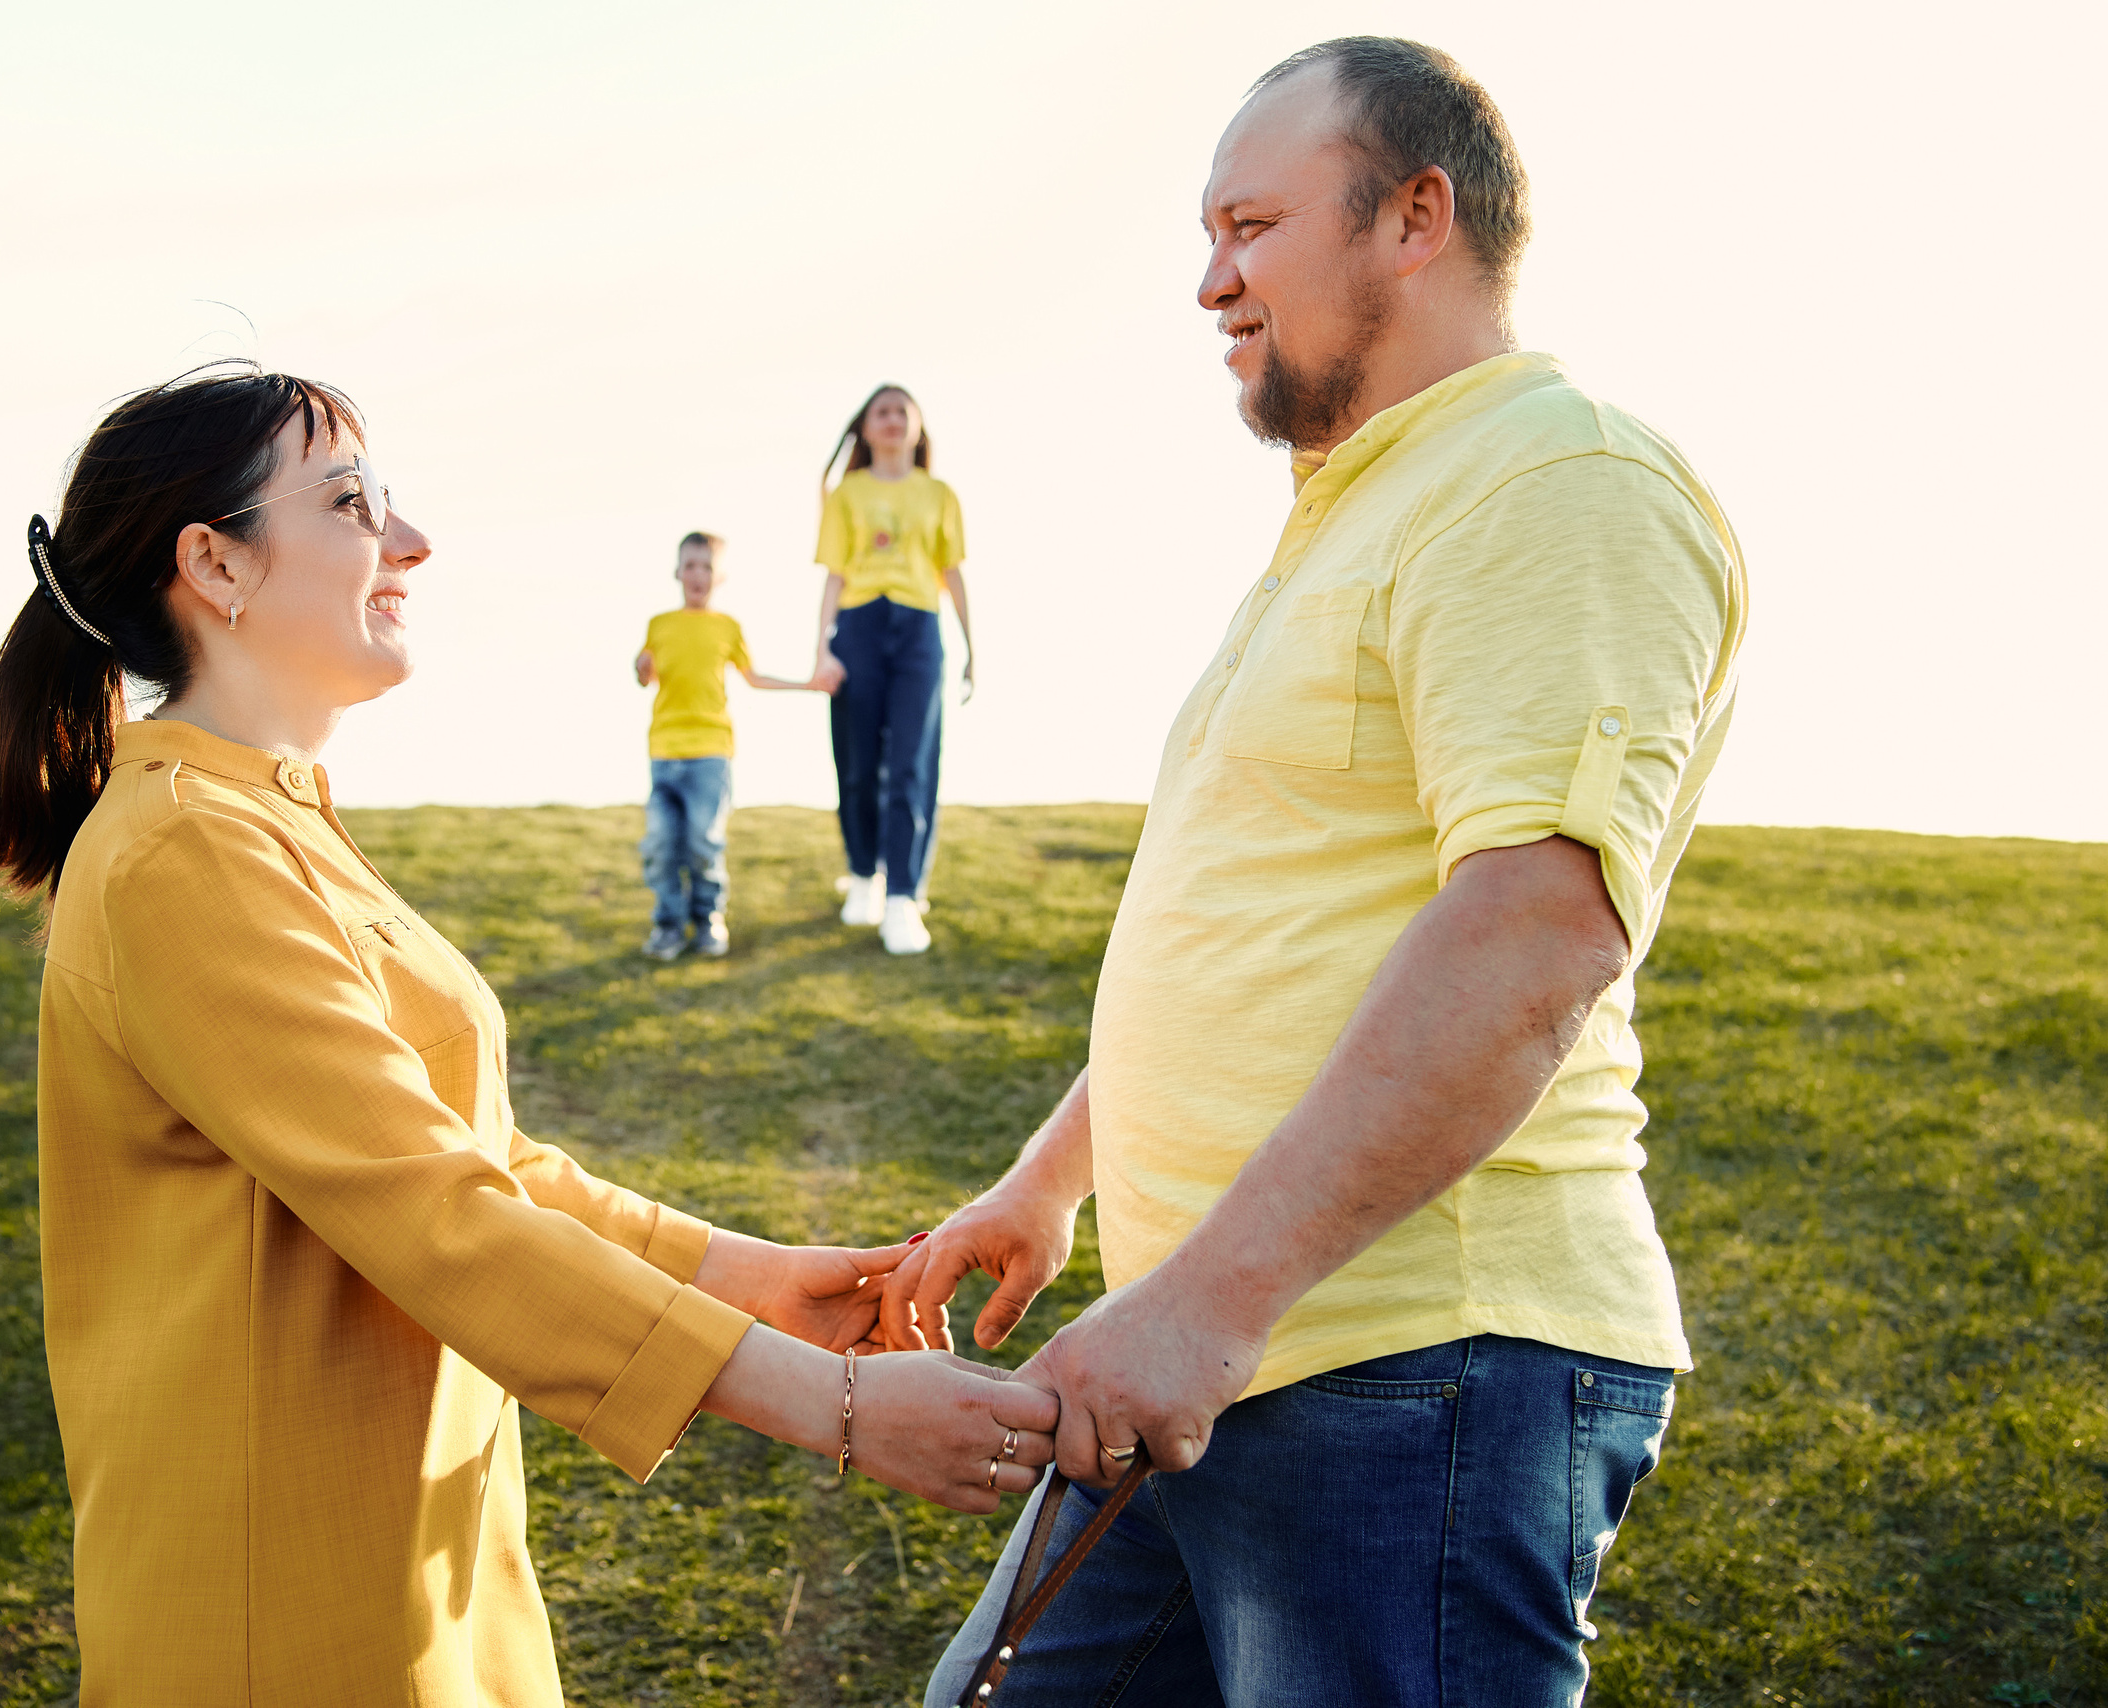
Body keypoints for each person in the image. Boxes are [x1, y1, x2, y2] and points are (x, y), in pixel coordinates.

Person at [0, 363, 1057, 1707]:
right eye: (357, 504)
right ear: (216, 565)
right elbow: (439, 1213)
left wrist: (756, 1278)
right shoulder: (182, 849)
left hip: (410, 1570)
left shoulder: (264, 817)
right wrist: (832, 1410)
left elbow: (482, 1165)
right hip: (276, 1619)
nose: (411, 543)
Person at [886, 37, 1747, 1706]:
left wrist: (1208, 1299)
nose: (1212, 281)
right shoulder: (1359, 506)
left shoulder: (1555, 478)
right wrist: (1056, 1174)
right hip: (1214, 1351)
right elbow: (1282, 914)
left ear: (1415, 215)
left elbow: (1530, 938)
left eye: (1251, 224)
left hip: (1415, 1364)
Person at [809, 384, 972, 955]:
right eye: (882, 411)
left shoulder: (940, 494)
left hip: (920, 633)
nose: (893, 419)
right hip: (856, 627)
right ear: (866, 427)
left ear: (919, 426)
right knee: (856, 763)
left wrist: (972, 647)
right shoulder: (847, 493)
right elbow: (832, 572)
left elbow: (951, 572)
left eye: (903, 410)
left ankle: (903, 895)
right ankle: (862, 875)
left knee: (911, 765)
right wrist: (822, 648)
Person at [632, 530, 823, 961]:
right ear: (677, 572)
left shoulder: (727, 627)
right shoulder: (659, 625)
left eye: (707, 567)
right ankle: (667, 927)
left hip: (710, 752)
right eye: (690, 566)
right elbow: (647, 675)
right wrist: (640, 667)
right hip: (664, 751)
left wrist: (806, 685)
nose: (698, 575)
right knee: (662, 843)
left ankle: (707, 920)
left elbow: (753, 677)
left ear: (720, 577)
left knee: (703, 841)